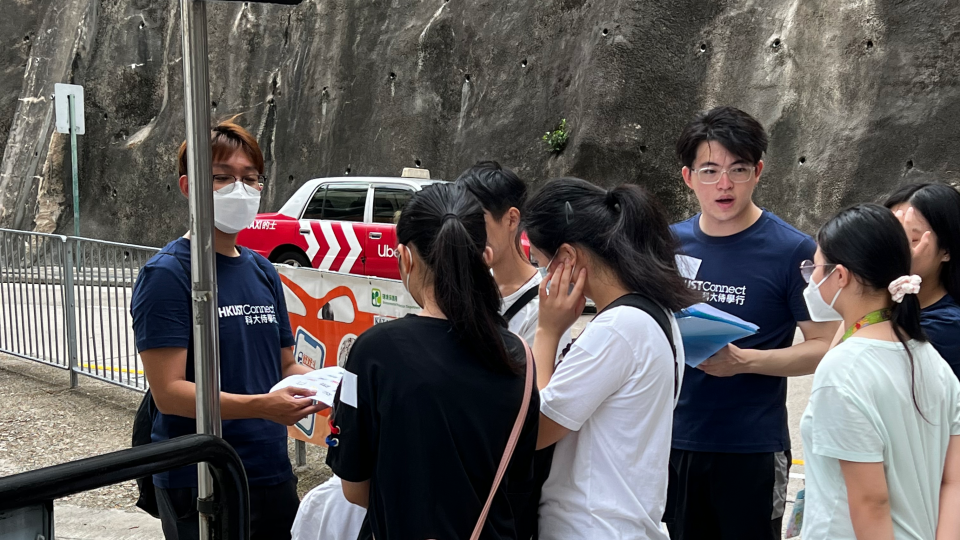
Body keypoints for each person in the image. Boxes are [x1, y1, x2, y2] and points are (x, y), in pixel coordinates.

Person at [131, 120, 324, 540]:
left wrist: (331, 387)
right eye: (222, 178)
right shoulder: (169, 274)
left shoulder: (261, 269)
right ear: (189, 186)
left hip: (269, 467)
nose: (240, 188)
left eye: (250, 178)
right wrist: (260, 406)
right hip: (200, 474)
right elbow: (169, 392)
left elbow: (285, 364)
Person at [325, 183, 539, 540]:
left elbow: (355, 489)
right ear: (484, 257)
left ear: (405, 258)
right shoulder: (520, 357)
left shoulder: (374, 352)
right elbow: (517, 487)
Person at [665, 106, 839, 540]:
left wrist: (745, 361)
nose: (724, 184)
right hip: (671, 439)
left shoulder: (792, 250)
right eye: (709, 171)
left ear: (758, 171)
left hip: (752, 446)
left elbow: (824, 345)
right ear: (688, 177)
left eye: (738, 169)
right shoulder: (666, 243)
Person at [523, 178, 696, 540]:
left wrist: (548, 333)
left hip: (590, 527)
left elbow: (534, 429)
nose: (542, 277)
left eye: (541, 263)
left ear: (567, 258)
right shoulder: (652, 313)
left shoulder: (616, 329)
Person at [799, 203, 960, 539]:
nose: (812, 279)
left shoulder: (843, 371)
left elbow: (871, 501)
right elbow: (953, 481)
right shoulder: (931, 358)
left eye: (814, 267)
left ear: (839, 275)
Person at [457, 161, 571, 539]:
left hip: (508, 478)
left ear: (511, 219)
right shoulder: (462, 292)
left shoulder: (547, 305)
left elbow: (539, 398)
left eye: (480, 221)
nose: (471, 235)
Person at [882, 183, 960, 378]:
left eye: (910, 239)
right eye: (889, 237)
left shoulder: (946, 324)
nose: (895, 248)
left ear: (946, 251)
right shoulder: (891, 303)